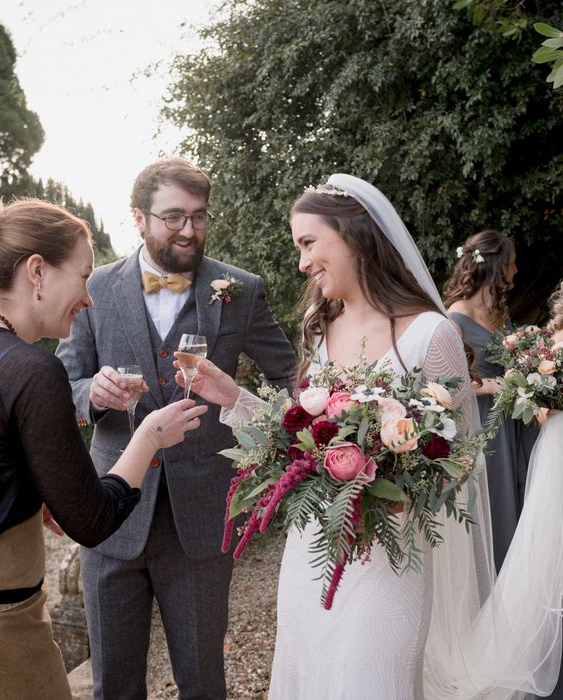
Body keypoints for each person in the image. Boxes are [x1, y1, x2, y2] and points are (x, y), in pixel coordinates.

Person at [177, 175, 563, 699]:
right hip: (311, 554)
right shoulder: (318, 329)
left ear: (353, 234)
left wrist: (400, 484)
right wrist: (229, 395)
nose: (301, 263)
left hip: (391, 563)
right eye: (297, 248)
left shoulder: (433, 334)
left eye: (309, 243)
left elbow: (465, 459)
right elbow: (295, 438)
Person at [0, 185, 207, 700]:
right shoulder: (32, 370)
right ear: (37, 272)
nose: (90, 298)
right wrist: (148, 437)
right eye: (85, 277)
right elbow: (92, 522)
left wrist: (22, 491)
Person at [55, 157, 295, 699]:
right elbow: (63, 384)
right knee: (113, 684)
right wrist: (91, 394)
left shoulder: (241, 290)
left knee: (203, 681)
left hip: (203, 519)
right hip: (111, 514)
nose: (189, 230)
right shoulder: (95, 288)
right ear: (139, 218)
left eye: (199, 217)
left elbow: (291, 377)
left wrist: (247, 415)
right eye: (173, 217)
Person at [443, 230, 539, 572]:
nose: (514, 272)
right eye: (511, 265)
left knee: (527, 500)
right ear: (497, 267)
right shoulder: (455, 318)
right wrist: (493, 386)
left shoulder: (498, 309)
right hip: (485, 428)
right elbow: (445, 389)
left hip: (516, 423)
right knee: (498, 507)